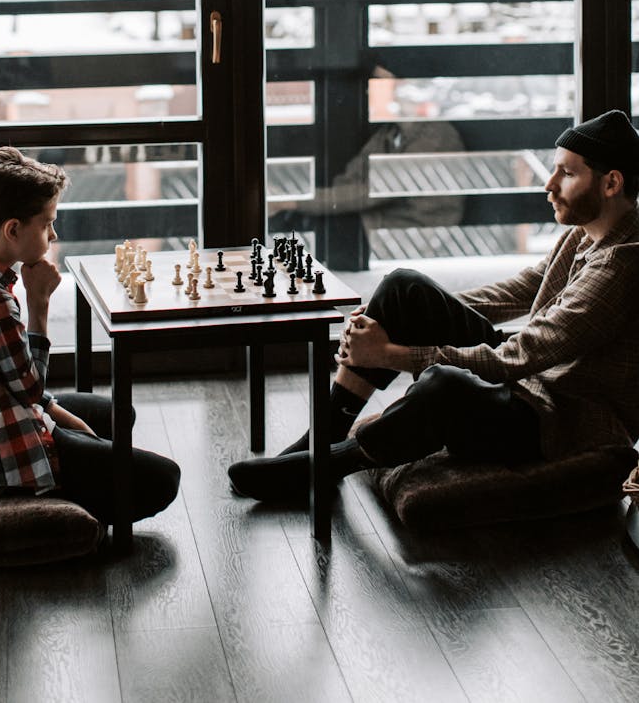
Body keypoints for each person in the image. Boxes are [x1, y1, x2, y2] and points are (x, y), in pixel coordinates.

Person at [228, 109, 639, 504]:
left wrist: (393, 354)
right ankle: (325, 434)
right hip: (529, 384)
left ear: (611, 183)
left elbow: (520, 355)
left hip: (558, 419)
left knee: (444, 384)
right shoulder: (584, 234)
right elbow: (520, 291)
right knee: (403, 287)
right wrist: (412, 317)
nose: (549, 184)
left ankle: (328, 465)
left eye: (566, 174)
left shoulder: (624, 264)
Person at [0, 146, 180, 528]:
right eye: (47, 223)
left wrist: (58, 415)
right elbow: (30, 389)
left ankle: (86, 468)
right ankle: (56, 499)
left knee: (116, 416)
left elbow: (8, 380)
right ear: (13, 230)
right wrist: (39, 303)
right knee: (165, 479)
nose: (54, 233)